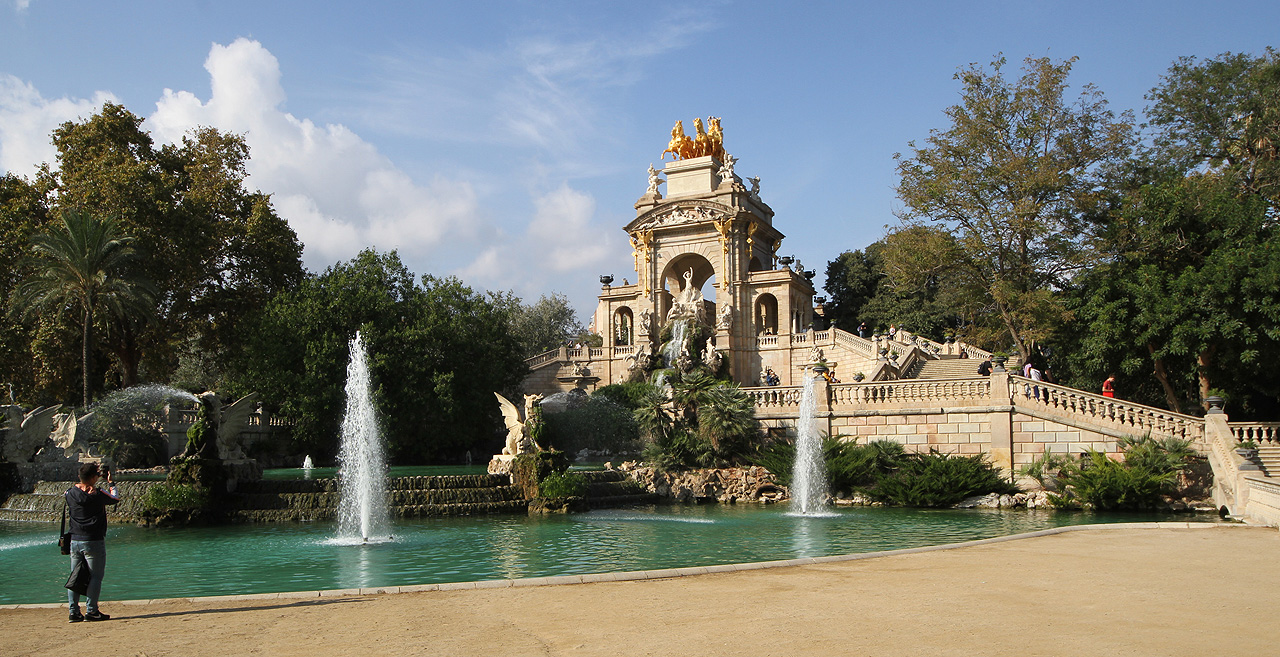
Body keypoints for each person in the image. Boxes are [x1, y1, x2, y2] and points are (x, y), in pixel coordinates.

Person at [65, 462, 119, 622]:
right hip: (93, 540)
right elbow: (115, 498)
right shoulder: (96, 494)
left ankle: (73, 612)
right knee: (95, 577)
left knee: (75, 577)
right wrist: (111, 482)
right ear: (94, 477)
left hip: (75, 540)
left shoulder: (69, 493)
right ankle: (92, 611)